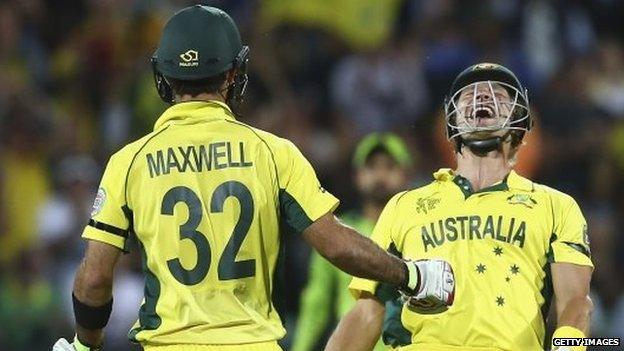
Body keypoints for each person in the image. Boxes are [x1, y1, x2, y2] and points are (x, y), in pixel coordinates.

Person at [52, 6, 455, 351]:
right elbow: (336, 247)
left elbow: (94, 280)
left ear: (165, 76)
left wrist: (85, 344)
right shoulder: (272, 152)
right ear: (232, 75)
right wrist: (411, 275)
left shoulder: (129, 161)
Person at [326, 62, 594, 351]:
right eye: (469, 96)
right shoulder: (404, 206)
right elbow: (368, 310)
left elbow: (576, 303)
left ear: (518, 120)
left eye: (498, 96)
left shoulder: (555, 206)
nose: (482, 97)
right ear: (451, 121)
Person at [293, 133, 413, 351]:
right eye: (372, 167)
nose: (380, 175)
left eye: (389, 167)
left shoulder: (417, 231)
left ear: (406, 175)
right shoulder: (337, 236)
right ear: (357, 176)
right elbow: (316, 303)